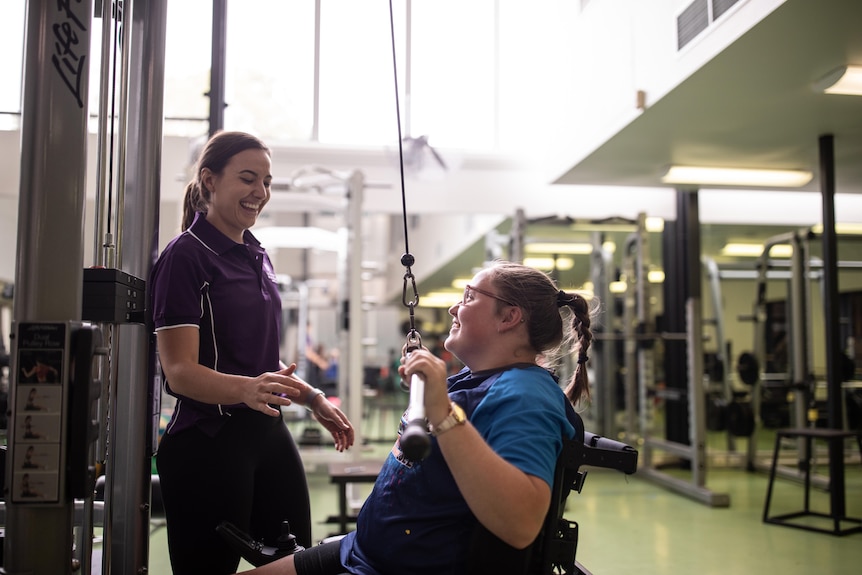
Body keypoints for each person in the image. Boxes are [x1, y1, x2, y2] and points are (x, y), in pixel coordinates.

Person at [238, 260, 596, 575]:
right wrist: (311, 396)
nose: (455, 307)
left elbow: (521, 525)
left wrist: (442, 410)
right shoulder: (477, 380)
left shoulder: (524, 396)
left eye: (470, 296)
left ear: (508, 317)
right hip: (361, 550)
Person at [150, 131, 355, 575]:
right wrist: (249, 388)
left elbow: (257, 366)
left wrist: (312, 397)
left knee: (295, 564)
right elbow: (180, 372)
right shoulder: (186, 256)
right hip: (208, 441)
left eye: (266, 182)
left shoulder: (257, 255)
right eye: (247, 179)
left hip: (264, 433)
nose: (259, 193)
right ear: (209, 180)